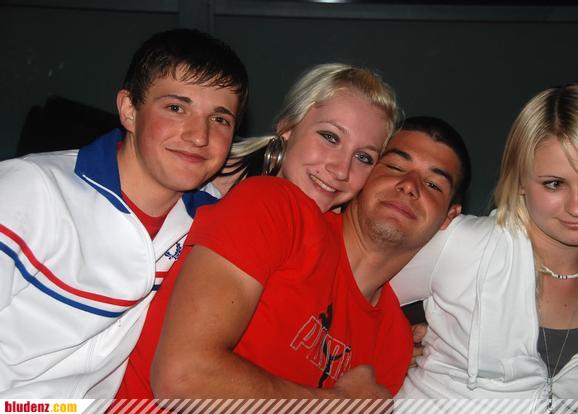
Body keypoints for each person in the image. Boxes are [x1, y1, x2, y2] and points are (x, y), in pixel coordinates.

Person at [114, 62, 403, 399]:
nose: (340, 169)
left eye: (364, 158)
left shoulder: (329, 245)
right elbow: (183, 377)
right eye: (330, 137)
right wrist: (338, 404)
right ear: (288, 129)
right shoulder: (233, 185)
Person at [0, 28, 248, 398]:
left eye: (220, 120)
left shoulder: (210, 221)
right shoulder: (30, 191)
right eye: (176, 108)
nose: (199, 136)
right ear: (129, 110)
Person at [150, 116, 471, 401]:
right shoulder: (276, 209)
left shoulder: (395, 345)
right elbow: (183, 377)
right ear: (365, 175)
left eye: (433, 184)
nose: (409, 186)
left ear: (448, 216)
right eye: (395, 167)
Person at [392, 84, 578, 406]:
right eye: (555, 184)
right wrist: (386, 353)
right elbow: (342, 295)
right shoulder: (465, 245)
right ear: (521, 180)